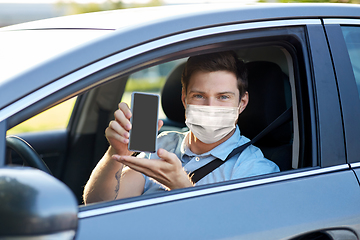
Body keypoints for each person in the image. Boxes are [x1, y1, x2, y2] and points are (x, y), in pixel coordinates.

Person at [83, 51, 279, 204]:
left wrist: (182, 188)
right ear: (184, 98)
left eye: (223, 97)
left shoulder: (256, 170)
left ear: (242, 103)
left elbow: (238, 231)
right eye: (199, 96)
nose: (210, 107)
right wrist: (115, 153)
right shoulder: (160, 144)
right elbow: (99, 205)